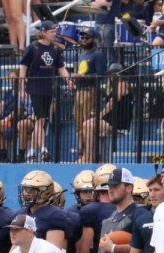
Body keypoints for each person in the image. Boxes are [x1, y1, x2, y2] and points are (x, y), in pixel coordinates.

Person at [18, 21, 73, 163]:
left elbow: (61, 68)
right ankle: (43, 149)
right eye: (52, 31)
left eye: (55, 31)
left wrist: (68, 80)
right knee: (40, 119)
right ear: (43, 32)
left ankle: (32, 151)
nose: (55, 34)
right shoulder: (33, 48)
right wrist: (22, 88)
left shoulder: (56, 49)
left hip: (48, 89)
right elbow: (23, 67)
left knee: (42, 121)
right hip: (34, 88)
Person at [73, 27, 106, 161]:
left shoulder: (97, 55)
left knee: (87, 122)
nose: (83, 40)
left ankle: (90, 155)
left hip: (90, 91)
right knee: (78, 123)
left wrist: (83, 77)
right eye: (82, 37)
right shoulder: (82, 55)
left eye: (87, 37)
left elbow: (101, 75)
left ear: (94, 39)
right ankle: (82, 152)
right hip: (79, 91)